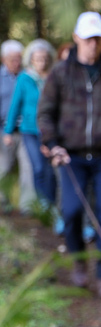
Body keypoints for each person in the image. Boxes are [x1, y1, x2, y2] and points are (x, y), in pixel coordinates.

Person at [37, 12, 101, 298]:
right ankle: (78, 261)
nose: (93, 44)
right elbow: (45, 112)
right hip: (70, 156)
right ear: (76, 39)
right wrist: (53, 143)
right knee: (71, 211)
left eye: (98, 39)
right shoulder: (60, 73)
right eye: (87, 39)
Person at [4, 39, 58, 223]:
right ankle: (42, 203)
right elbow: (15, 105)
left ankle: (51, 204)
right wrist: (8, 131)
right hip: (29, 130)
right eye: (38, 58)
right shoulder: (24, 78)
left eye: (44, 58)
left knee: (50, 169)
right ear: (31, 60)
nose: (42, 62)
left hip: (49, 131)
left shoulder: (53, 77)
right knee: (38, 167)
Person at [0, 39, 35, 214]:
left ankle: (27, 206)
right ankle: (2, 202)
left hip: (26, 130)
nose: (17, 62)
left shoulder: (28, 77)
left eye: (19, 58)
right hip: (3, 130)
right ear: (3, 59)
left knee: (28, 168)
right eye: (12, 59)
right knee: (4, 168)